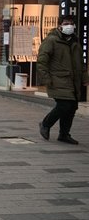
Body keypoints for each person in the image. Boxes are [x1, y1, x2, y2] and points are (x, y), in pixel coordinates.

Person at [37, 15, 89, 145]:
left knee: (72, 107)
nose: (69, 26)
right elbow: (42, 61)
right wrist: (46, 78)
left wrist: (85, 78)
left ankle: (64, 134)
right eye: (66, 23)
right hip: (58, 79)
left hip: (73, 81)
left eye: (71, 23)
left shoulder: (75, 42)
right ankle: (45, 123)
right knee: (64, 105)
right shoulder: (51, 40)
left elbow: (81, 63)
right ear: (60, 25)